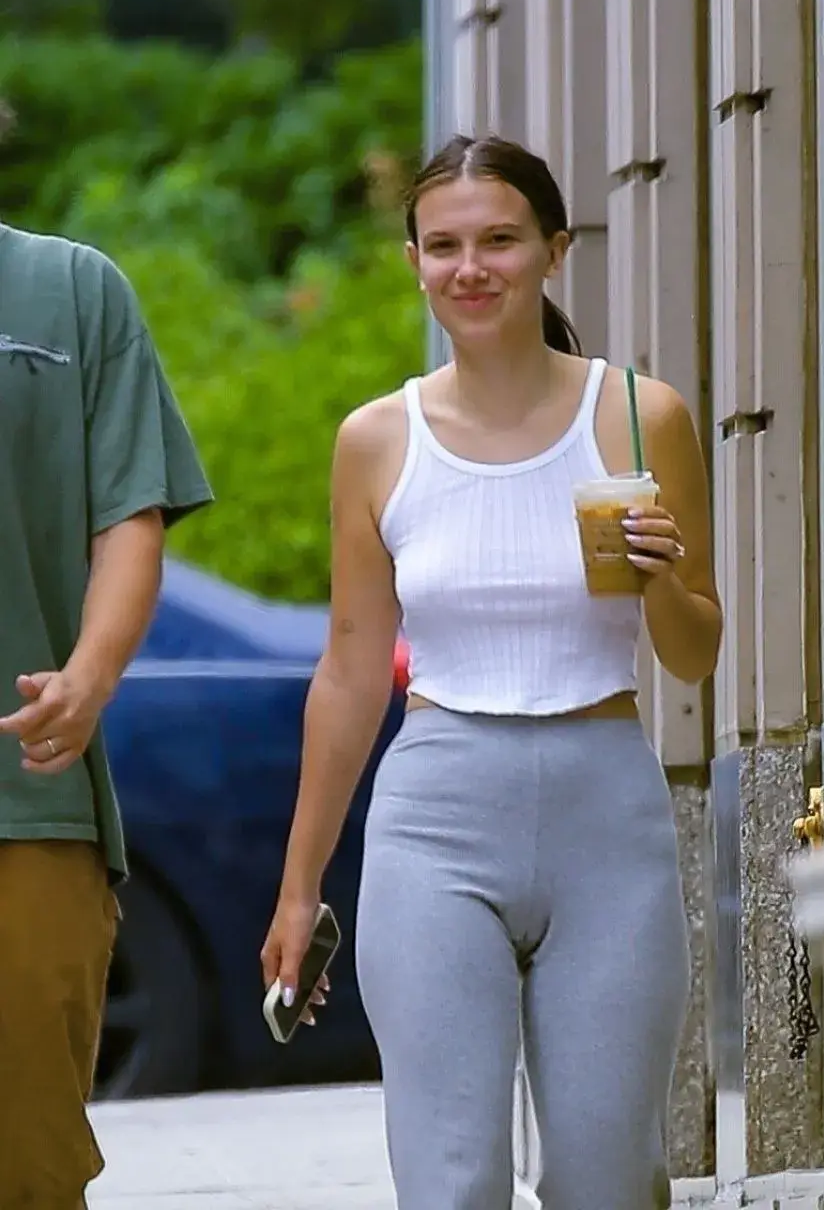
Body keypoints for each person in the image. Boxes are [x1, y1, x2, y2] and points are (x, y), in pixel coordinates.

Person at [260, 134, 722, 1210]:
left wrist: (660, 577)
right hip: (435, 812)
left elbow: (694, 651)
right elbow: (348, 667)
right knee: (451, 1178)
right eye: (444, 245)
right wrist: (299, 884)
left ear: (554, 250)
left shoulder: (639, 416)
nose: (472, 268)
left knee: (606, 1181)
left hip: (604, 806)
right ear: (415, 262)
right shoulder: (377, 439)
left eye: (501, 240)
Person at [0, 218, 213, 1206]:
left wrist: (89, 673)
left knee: (28, 1163)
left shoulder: (72, 290)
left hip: (26, 799)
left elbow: (128, 512)